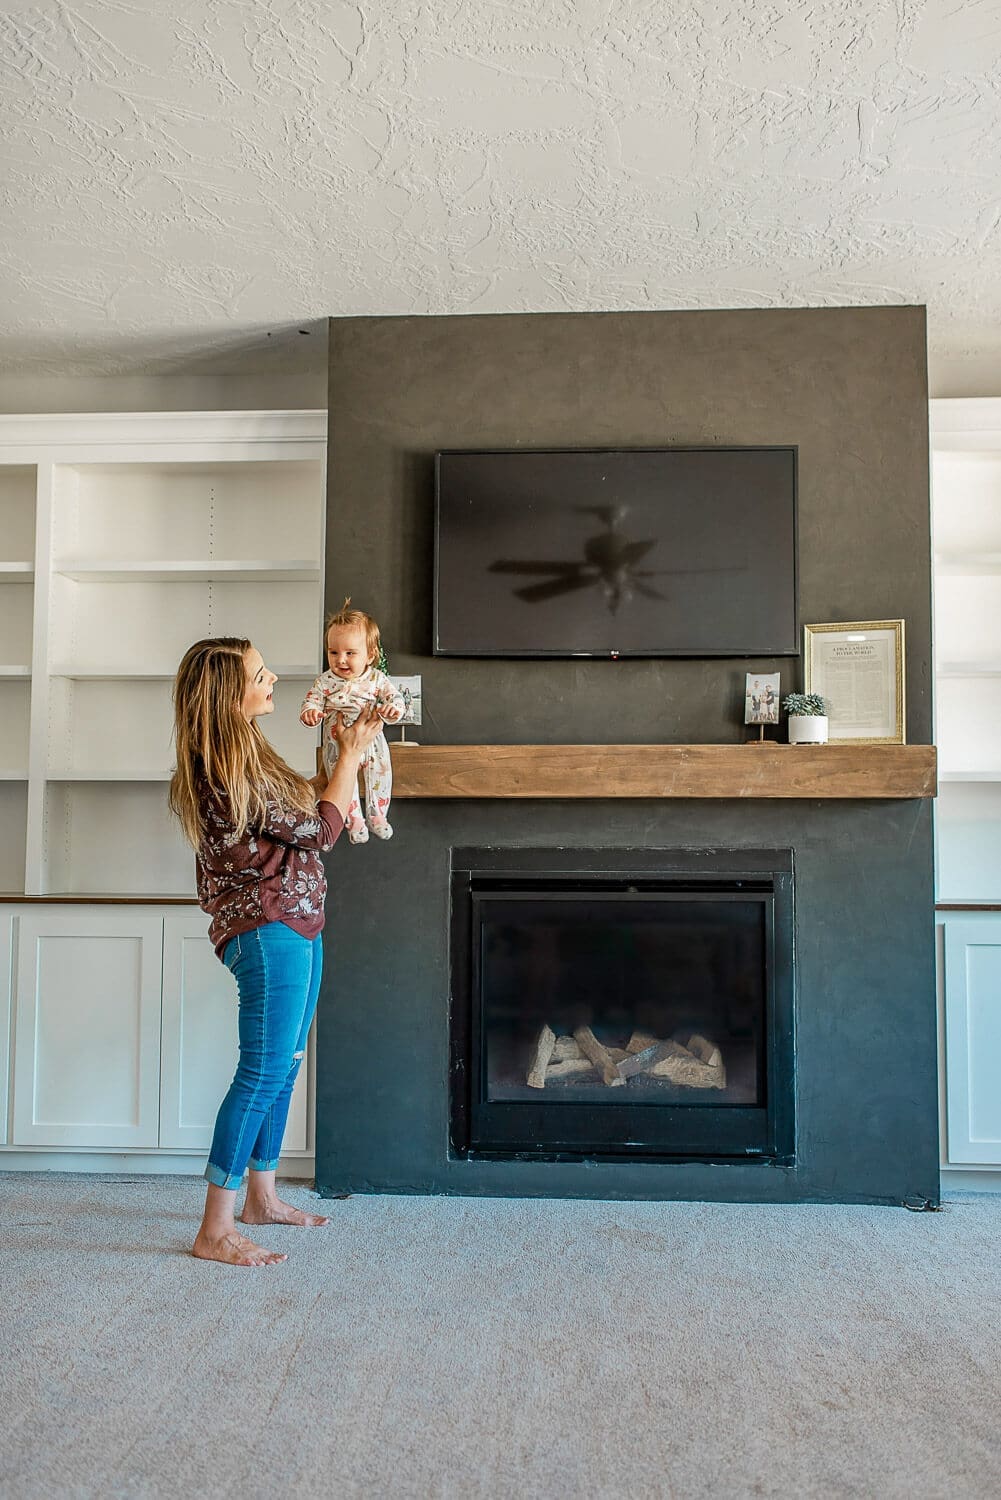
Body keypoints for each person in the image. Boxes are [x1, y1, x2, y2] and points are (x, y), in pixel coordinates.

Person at [169, 636, 384, 1267]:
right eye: (260, 674)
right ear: (228, 695)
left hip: (298, 919)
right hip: (268, 928)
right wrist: (352, 753)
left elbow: (302, 813)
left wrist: (340, 761)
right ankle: (215, 1227)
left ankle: (260, 1196)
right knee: (261, 1072)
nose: (274, 679)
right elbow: (320, 829)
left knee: (285, 1063)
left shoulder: (249, 758)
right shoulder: (224, 768)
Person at [300, 598, 405, 844]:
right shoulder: (325, 681)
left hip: (372, 743)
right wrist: (310, 713)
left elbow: (396, 699)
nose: (341, 660)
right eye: (333, 652)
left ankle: (378, 815)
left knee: (381, 774)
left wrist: (392, 710)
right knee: (341, 782)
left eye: (350, 653)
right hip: (337, 743)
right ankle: (354, 821)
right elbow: (311, 701)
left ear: (370, 655)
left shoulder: (377, 680)